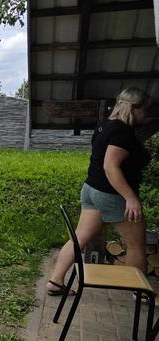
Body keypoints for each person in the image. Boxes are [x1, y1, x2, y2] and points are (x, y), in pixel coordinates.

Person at [47, 87, 152, 296]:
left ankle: (55, 281)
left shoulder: (105, 125)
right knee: (136, 244)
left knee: (79, 237)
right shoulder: (122, 131)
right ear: (134, 108)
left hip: (92, 189)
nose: (145, 115)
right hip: (112, 195)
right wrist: (130, 198)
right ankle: (139, 294)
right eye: (144, 110)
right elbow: (110, 166)